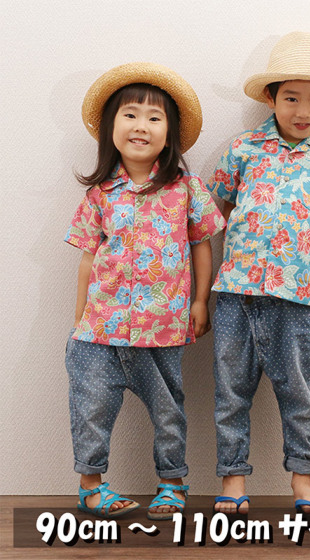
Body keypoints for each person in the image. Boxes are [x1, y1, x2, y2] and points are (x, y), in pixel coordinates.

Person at [208, 32, 310, 518]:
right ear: (271, 98)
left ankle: (303, 480)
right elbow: (219, 212)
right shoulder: (244, 148)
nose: (304, 110)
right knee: (230, 392)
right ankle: (233, 480)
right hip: (236, 295)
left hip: (297, 299)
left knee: (298, 394)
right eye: (291, 97)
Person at [64, 62, 225, 520]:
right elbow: (88, 259)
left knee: (168, 409)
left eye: (155, 118)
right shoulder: (100, 194)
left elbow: (202, 244)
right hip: (100, 329)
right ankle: (91, 487)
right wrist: (80, 320)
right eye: (130, 115)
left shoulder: (186, 189)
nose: (141, 125)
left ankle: (172, 484)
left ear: (169, 133)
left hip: (162, 328)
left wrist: (200, 301)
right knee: (91, 408)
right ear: (111, 127)